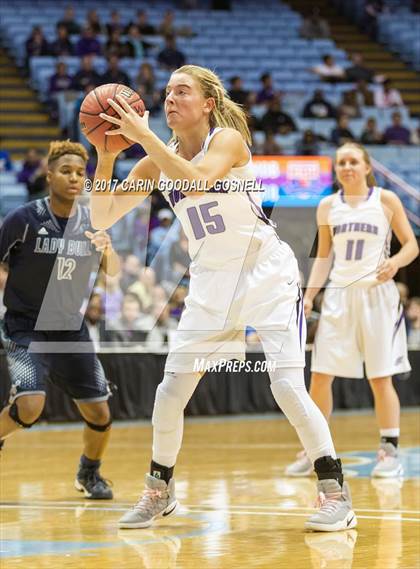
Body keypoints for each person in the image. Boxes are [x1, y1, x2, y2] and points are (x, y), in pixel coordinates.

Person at [90, 64, 357, 532]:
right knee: (170, 390)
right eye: (167, 92)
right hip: (211, 281)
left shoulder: (227, 141)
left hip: (265, 275)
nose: (170, 98)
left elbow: (196, 180)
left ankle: (335, 493)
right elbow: (104, 214)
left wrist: (144, 137)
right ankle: (159, 490)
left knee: (287, 386)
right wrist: (106, 154)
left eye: (182, 91)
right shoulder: (155, 160)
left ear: (208, 104)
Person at [286, 142, 418, 478]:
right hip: (339, 298)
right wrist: (310, 294)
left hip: (377, 296)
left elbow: (412, 245)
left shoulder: (385, 200)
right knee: (319, 375)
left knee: (380, 377)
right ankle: (315, 449)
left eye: (353, 161)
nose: (347, 166)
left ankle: (389, 452)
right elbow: (324, 256)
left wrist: (395, 263)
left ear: (366, 166)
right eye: (341, 162)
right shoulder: (328, 206)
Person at [0, 140, 120, 499]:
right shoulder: (23, 219)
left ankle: (89, 473)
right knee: (30, 406)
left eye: (80, 173)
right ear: (49, 174)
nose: (74, 178)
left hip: (70, 329)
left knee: (100, 413)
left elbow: (111, 271)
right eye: (65, 171)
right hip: (25, 327)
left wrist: (108, 251)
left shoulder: (92, 222)